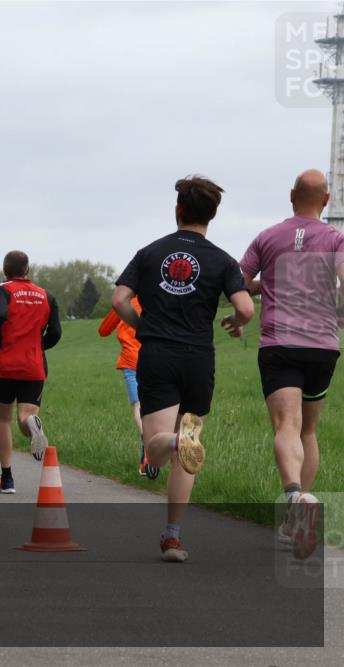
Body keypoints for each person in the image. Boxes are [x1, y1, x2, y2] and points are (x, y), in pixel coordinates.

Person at [112, 175, 253, 563]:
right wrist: (235, 322)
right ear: (213, 215)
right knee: (187, 454)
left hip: (158, 354)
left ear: (178, 209)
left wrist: (144, 326)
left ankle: (175, 441)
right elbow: (245, 308)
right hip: (198, 360)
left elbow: (119, 299)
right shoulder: (222, 260)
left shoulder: (149, 252)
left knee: (156, 450)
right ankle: (172, 537)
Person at [238, 169, 344, 560]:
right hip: (322, 346)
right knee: (308, 430)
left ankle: (295, 495)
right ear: (326, 201)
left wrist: (259, 288)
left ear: (291, 195)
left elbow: (238, 282)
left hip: (279, 343)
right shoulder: (335, 238)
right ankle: (297, 517)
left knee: (287, 425)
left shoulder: (268, 237)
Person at [0, 251, 61, 494]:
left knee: (4, 419)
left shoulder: (1, 289)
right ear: (28, 270)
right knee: (25, 417)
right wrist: (38, 346)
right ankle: (32, 424)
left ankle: (7, 479)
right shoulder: (47, 295)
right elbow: (56, 332)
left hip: (5, 364)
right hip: (34, 365)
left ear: (4, 270)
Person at [98, 297, 155, 478]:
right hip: (156, 359)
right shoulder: (157, 298)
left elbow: (103, 330)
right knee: (155, 408)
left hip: (131, 361)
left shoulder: (124, 301)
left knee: (139, 406)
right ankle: (155, 451)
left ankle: (148, 445)